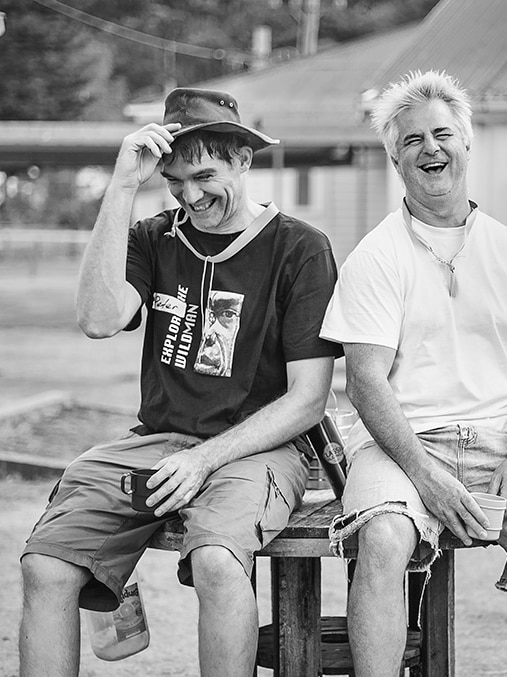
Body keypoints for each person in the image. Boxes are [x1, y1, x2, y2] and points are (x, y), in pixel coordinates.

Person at [19, 87, 342, 676]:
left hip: (261, 448)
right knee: (45, 565)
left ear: (244, 160)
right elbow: (97, 319)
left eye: (204, 176)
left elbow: (308, 400)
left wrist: (205, 460)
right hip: (156, 443)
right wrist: (120, 188)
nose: (190, 196)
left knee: (219, 562)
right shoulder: (153, 236)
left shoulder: (301, 247)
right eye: (174, 182)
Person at [320, 70, 507, 677]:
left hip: (497, 436)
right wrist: (425, 476)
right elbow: (366, 381)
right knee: (382, 541)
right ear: (395, 160)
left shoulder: (503, 250)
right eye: (411, 140)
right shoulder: (377, 256)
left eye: (442, 134)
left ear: (466, 144)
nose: (430, 148)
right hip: (402, 443)